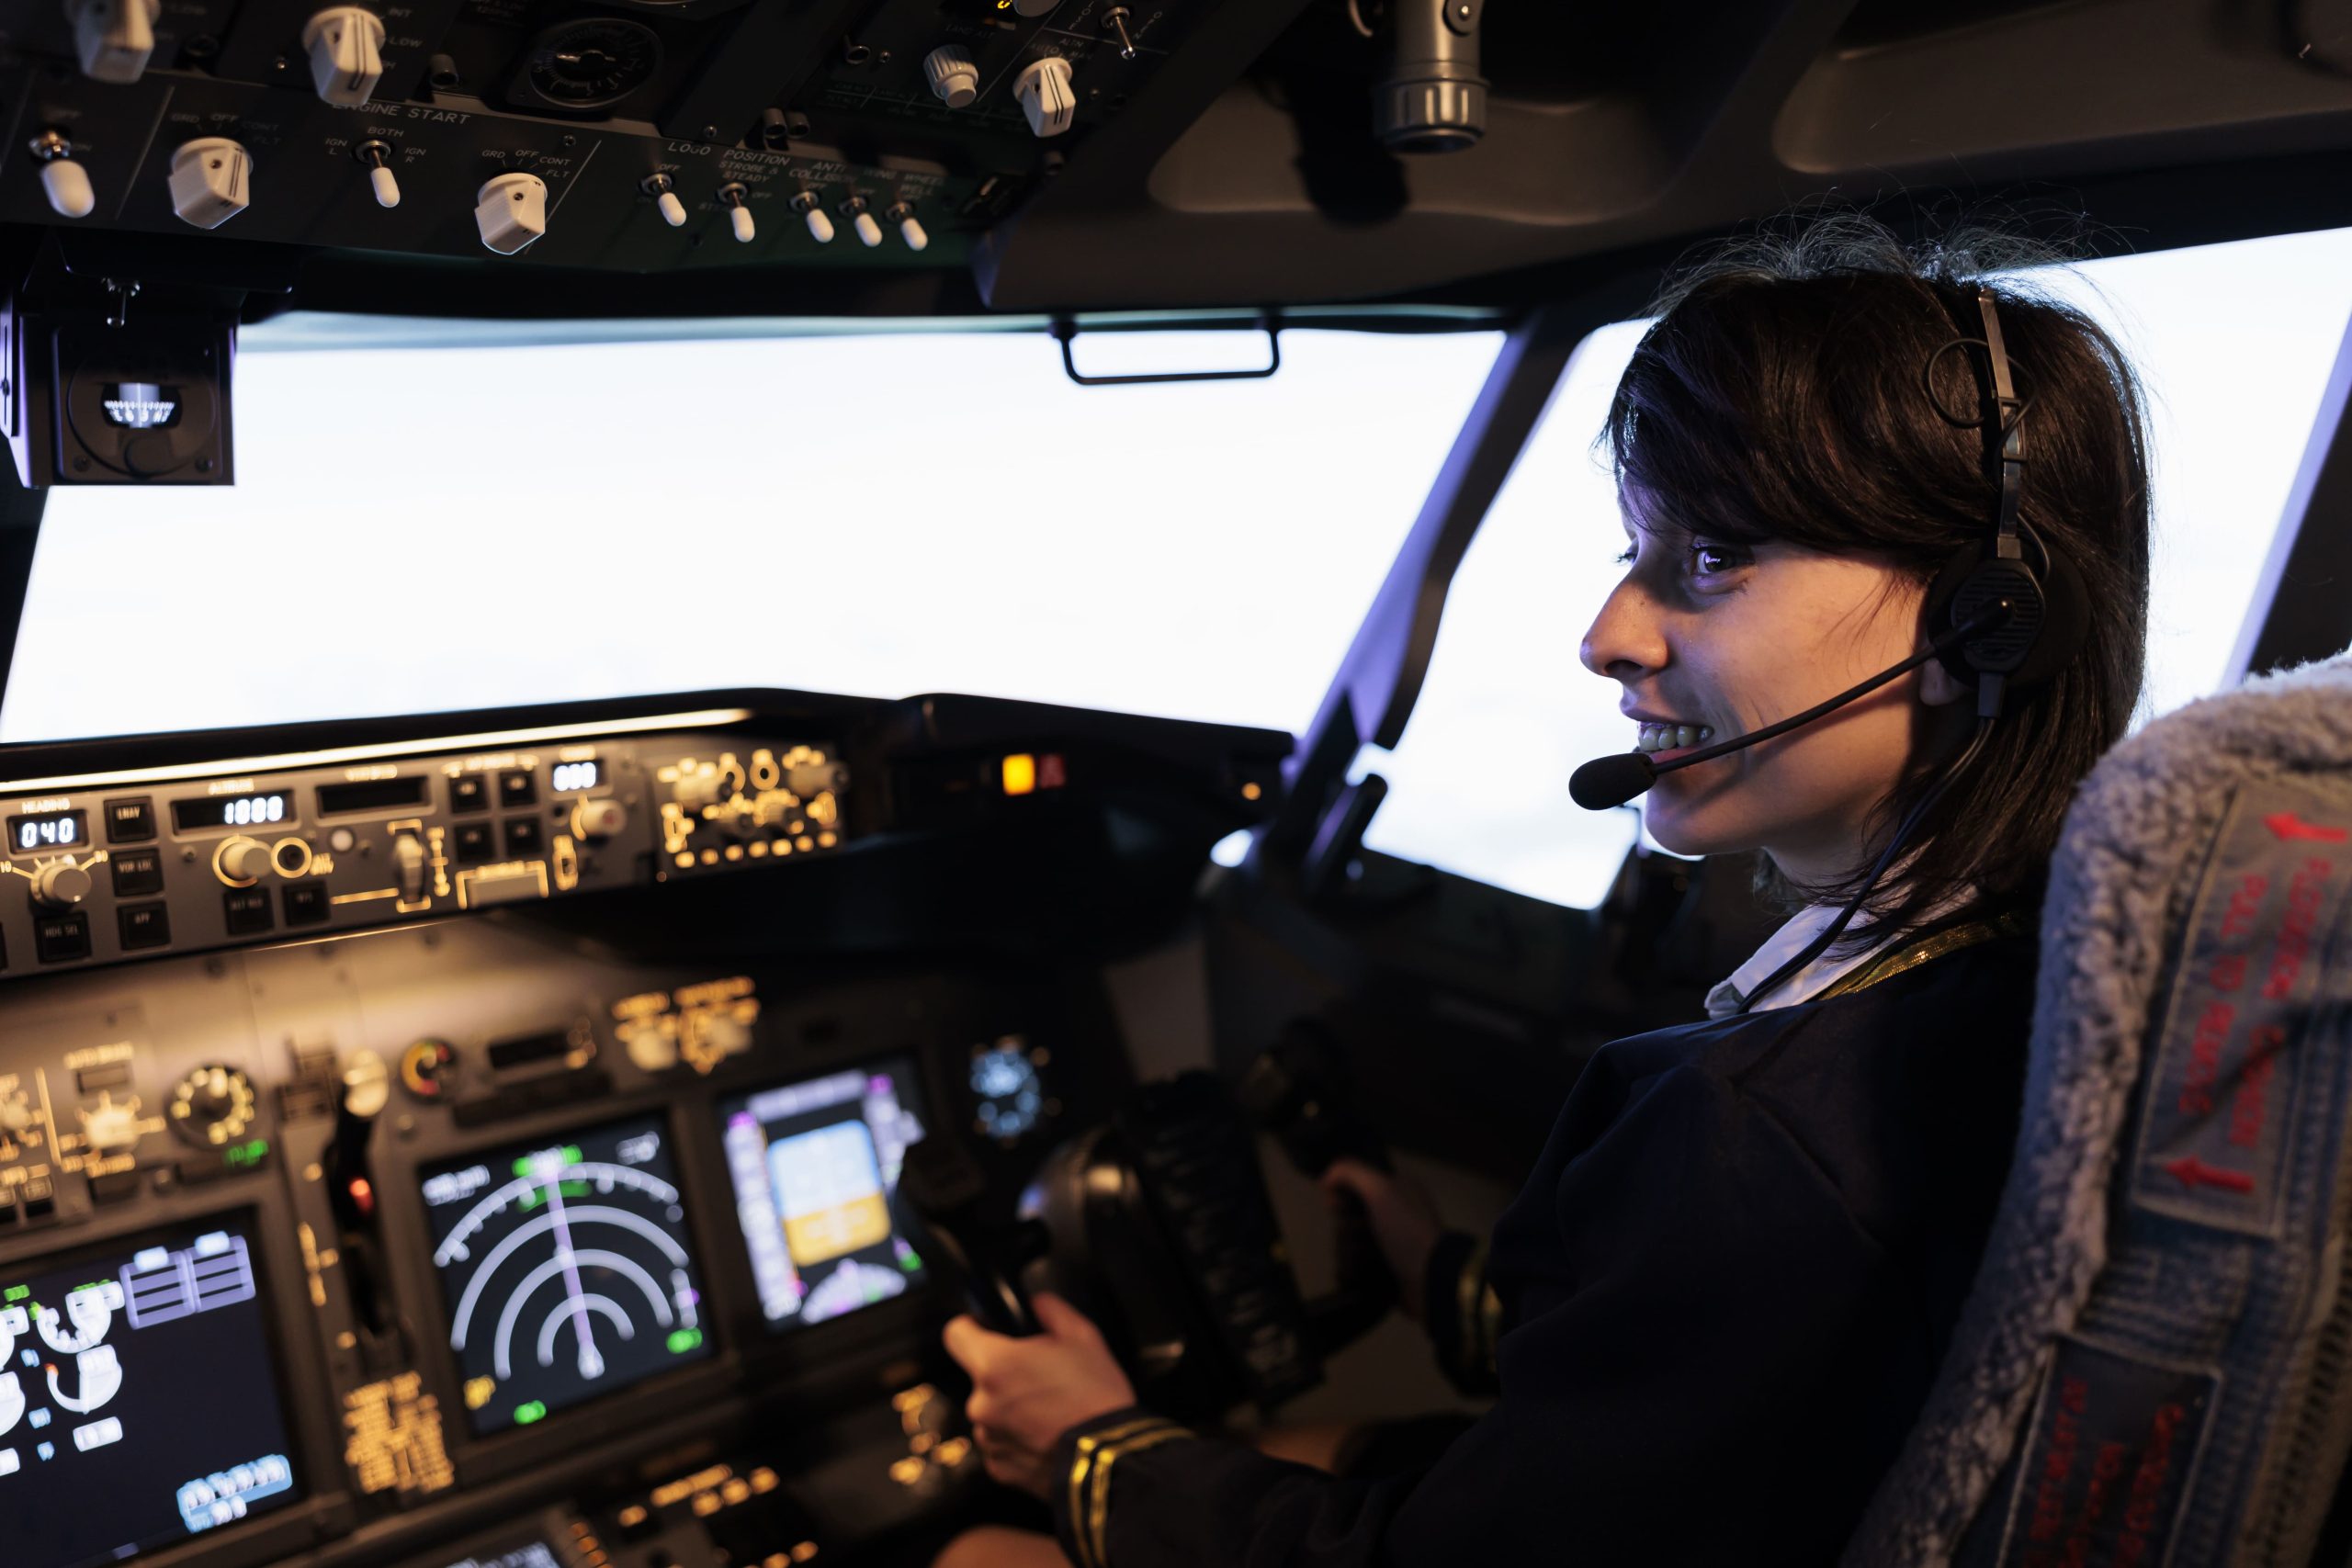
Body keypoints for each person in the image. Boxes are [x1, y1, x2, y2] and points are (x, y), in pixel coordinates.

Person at [935, 217, 2153, 1566]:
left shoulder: (1781, 1132)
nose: (1608, 637)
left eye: (1711, 558)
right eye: (1637, 551)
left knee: (988, 1554)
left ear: (1983, 617)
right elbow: (1716, 1406)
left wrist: (1089, 1445)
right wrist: (1446, 1282)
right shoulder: (2045, 976)